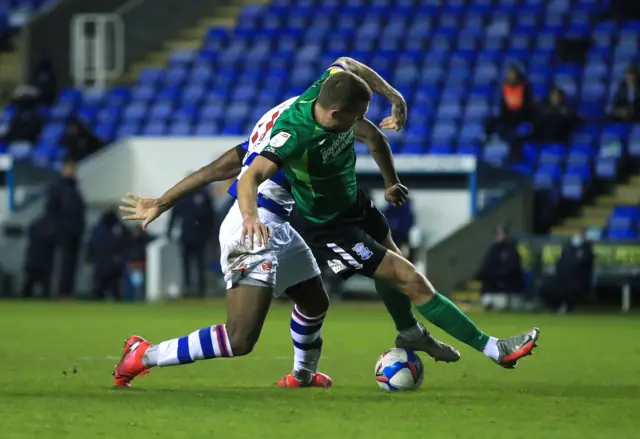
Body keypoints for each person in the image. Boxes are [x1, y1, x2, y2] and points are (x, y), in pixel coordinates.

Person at [237, 58, 540, 370]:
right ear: (336, 114)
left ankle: (409, 333)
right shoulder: (293, 134)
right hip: (330, 227)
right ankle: (495, 349)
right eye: (358, 115)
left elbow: (347, 66)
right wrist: (250, 216)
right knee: (409, 278)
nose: (363, 121)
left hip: (354, 202)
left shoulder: (330, 86)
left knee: (397, 269)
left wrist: (394, 101)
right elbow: (250, 177)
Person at [45, 159, 85, 297]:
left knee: (72, 263)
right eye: (68, 169)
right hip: (63, 231)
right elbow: (52, 210)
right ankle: (61, 291)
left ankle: (68, 290)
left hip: (74, 231)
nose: (71, 172)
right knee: (63, 262)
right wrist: (54, 229)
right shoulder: (58, 187)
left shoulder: (74, 187)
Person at [166, 183, 215, 297]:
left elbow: (210, 217)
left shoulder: (204, 197)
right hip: (186, 236)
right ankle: (187, 288)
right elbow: (174, 215)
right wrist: (169, 231)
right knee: (186, 264)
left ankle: (201, 289)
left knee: (200, 263)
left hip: (200, 237)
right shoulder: (183, 198)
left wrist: (210, 234)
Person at [476, 225, 525, 311]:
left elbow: (512, 269)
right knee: (485, 282)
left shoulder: (511, 250)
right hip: (494, 283)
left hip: (508, 284)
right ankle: (488, 303)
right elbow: (486, 267)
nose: (498, 236)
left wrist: (497, 275)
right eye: (497, 234)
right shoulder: (493, 250)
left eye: (500, 234)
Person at [543, 231, 594, 313]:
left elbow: (583, 265)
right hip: (562, 279)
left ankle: (566, 306)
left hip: (578, 281)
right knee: (547, 285)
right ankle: (554, 306)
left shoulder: (586, 250)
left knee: (568, 288)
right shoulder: (567, 250)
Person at [87, 206, 132, 300]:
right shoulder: (98, 228)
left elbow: (126, 244)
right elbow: (91, 246)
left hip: (113, 264)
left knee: (115, 290)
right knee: (98, 290)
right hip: (101, 263)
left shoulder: (118, 228)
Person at [21, 214, 57, 298]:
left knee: (30, 280)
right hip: (45, 258)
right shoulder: (51, 228)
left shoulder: (35, 226)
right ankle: (46, 298)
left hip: (33, 257)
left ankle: (25, 296)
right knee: (45, 281)